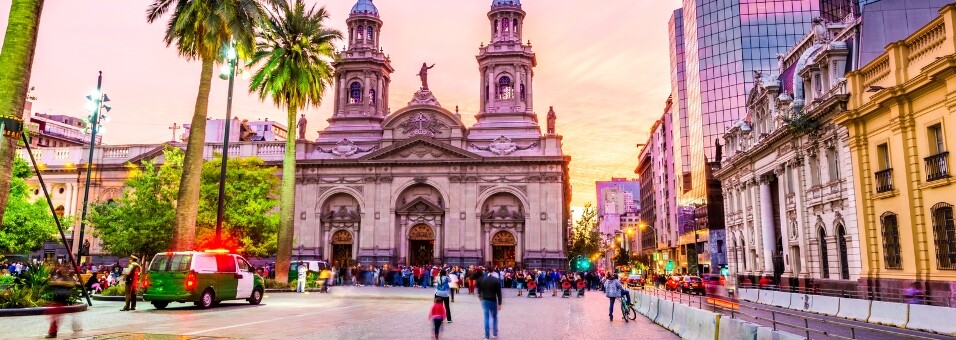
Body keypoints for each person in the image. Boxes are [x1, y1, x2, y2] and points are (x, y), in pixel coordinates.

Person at [477, 270, 502, 340]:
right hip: (493, 300)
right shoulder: (496, 280)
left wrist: (481, 299)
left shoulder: (483, 280)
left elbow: (479, 292)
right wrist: (499, 303)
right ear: (493, 272)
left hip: (485, 300)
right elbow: (499, 293)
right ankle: (495, 333)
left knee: (486, 318)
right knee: (494, 317)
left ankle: (487, 336)